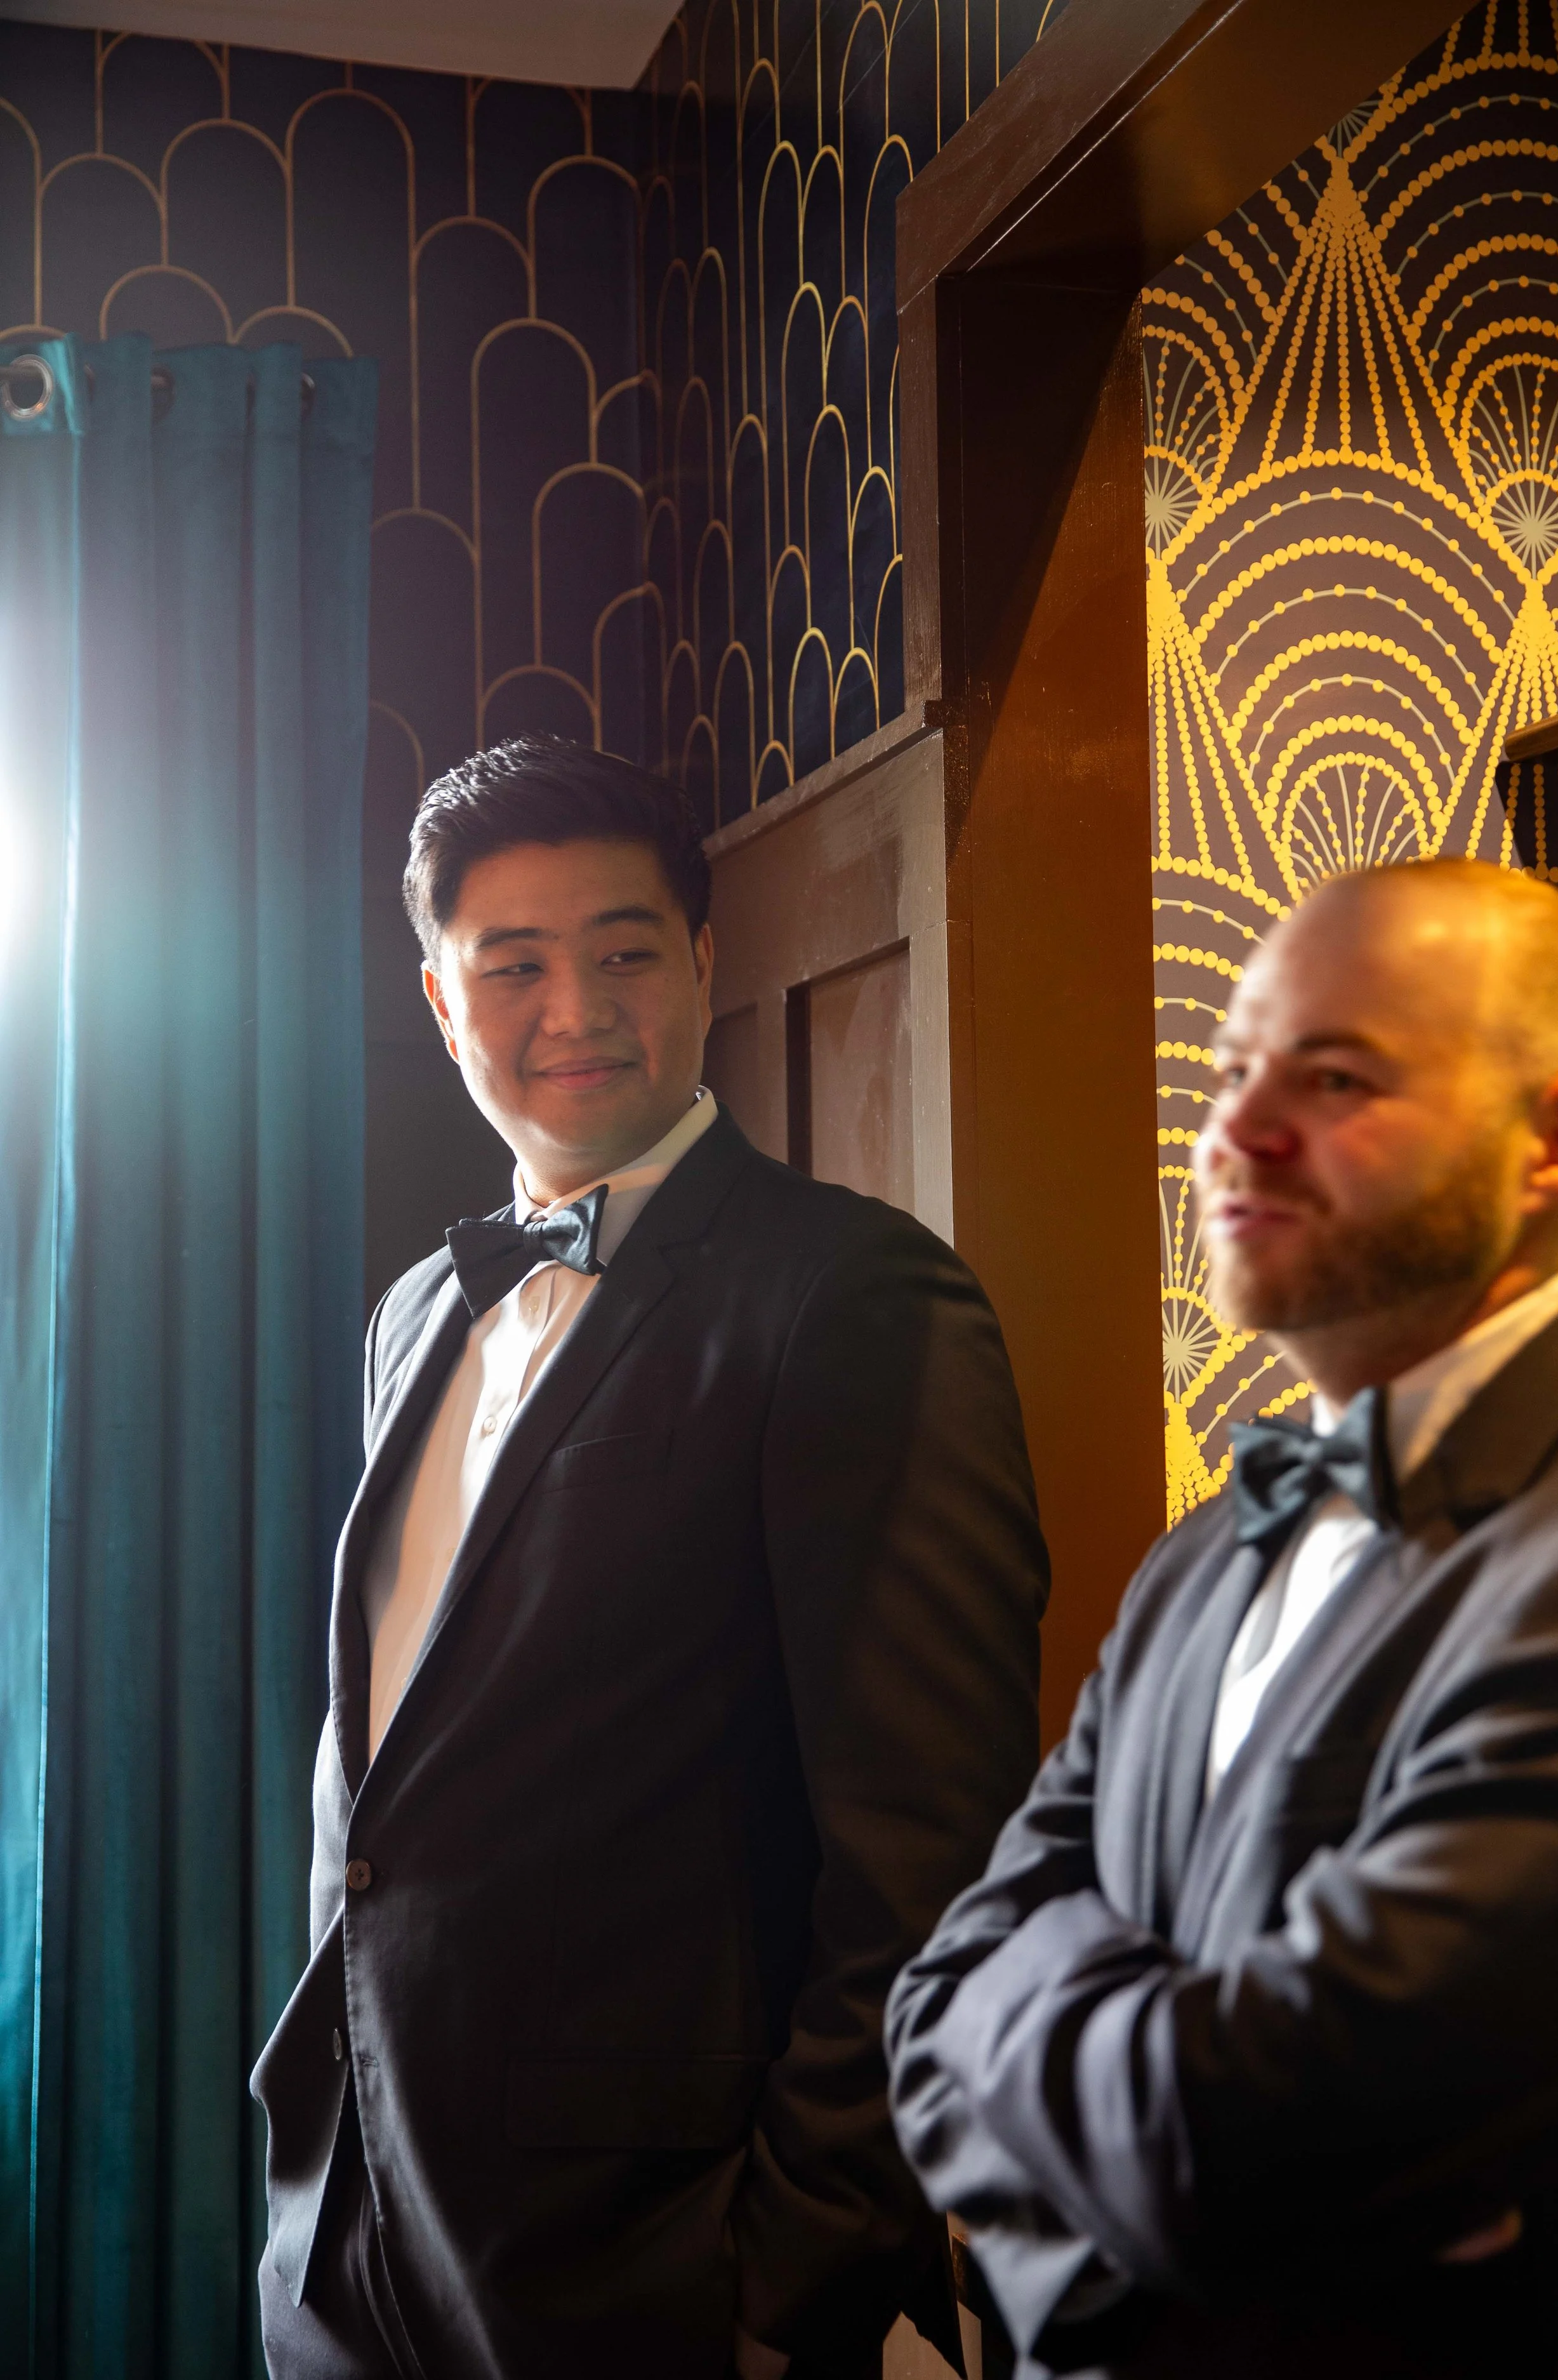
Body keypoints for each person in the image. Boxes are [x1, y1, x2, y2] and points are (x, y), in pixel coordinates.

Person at [252, 734, 1048, 2380]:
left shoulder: (853, 1297)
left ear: (701, 957)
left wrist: (780, 2290)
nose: (576, 1009)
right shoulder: (414, 1309)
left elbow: (932, 1856)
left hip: (664, 2276)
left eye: (623, 950)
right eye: (514, 964)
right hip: (357, 2235)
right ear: (436, 999)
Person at [887, 858, 1558, 2380]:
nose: (1235, 1134)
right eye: (1229, 1070)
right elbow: (929, 2009)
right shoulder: (1199, 1556)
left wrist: (1108, 2128)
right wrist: (1117, 2254)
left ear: (1557, 1139)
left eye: (1333, 1078)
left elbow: (1253, 2122)